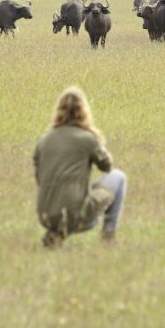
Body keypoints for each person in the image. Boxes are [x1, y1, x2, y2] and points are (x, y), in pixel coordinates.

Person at [33, 86, 127, 248]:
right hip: (75, 216)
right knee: (119, 177)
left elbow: (39, 178)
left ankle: (56, 233)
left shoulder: (43, 141)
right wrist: (99, 144)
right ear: (84, 111)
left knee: (80, 194)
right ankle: (108, 236)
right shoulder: (87, 139)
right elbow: (107, 167)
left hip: (45, 215)